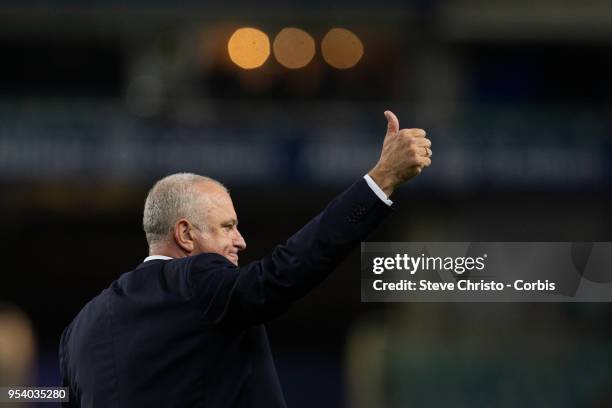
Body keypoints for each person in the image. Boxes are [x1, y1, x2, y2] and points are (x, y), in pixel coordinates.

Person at [59, 111, 432, 407]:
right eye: (227, 226)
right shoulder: (195, 281)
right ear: (186, 234)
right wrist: (380, 180)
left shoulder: (79, 330)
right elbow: (282, 272)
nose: (240, 241)